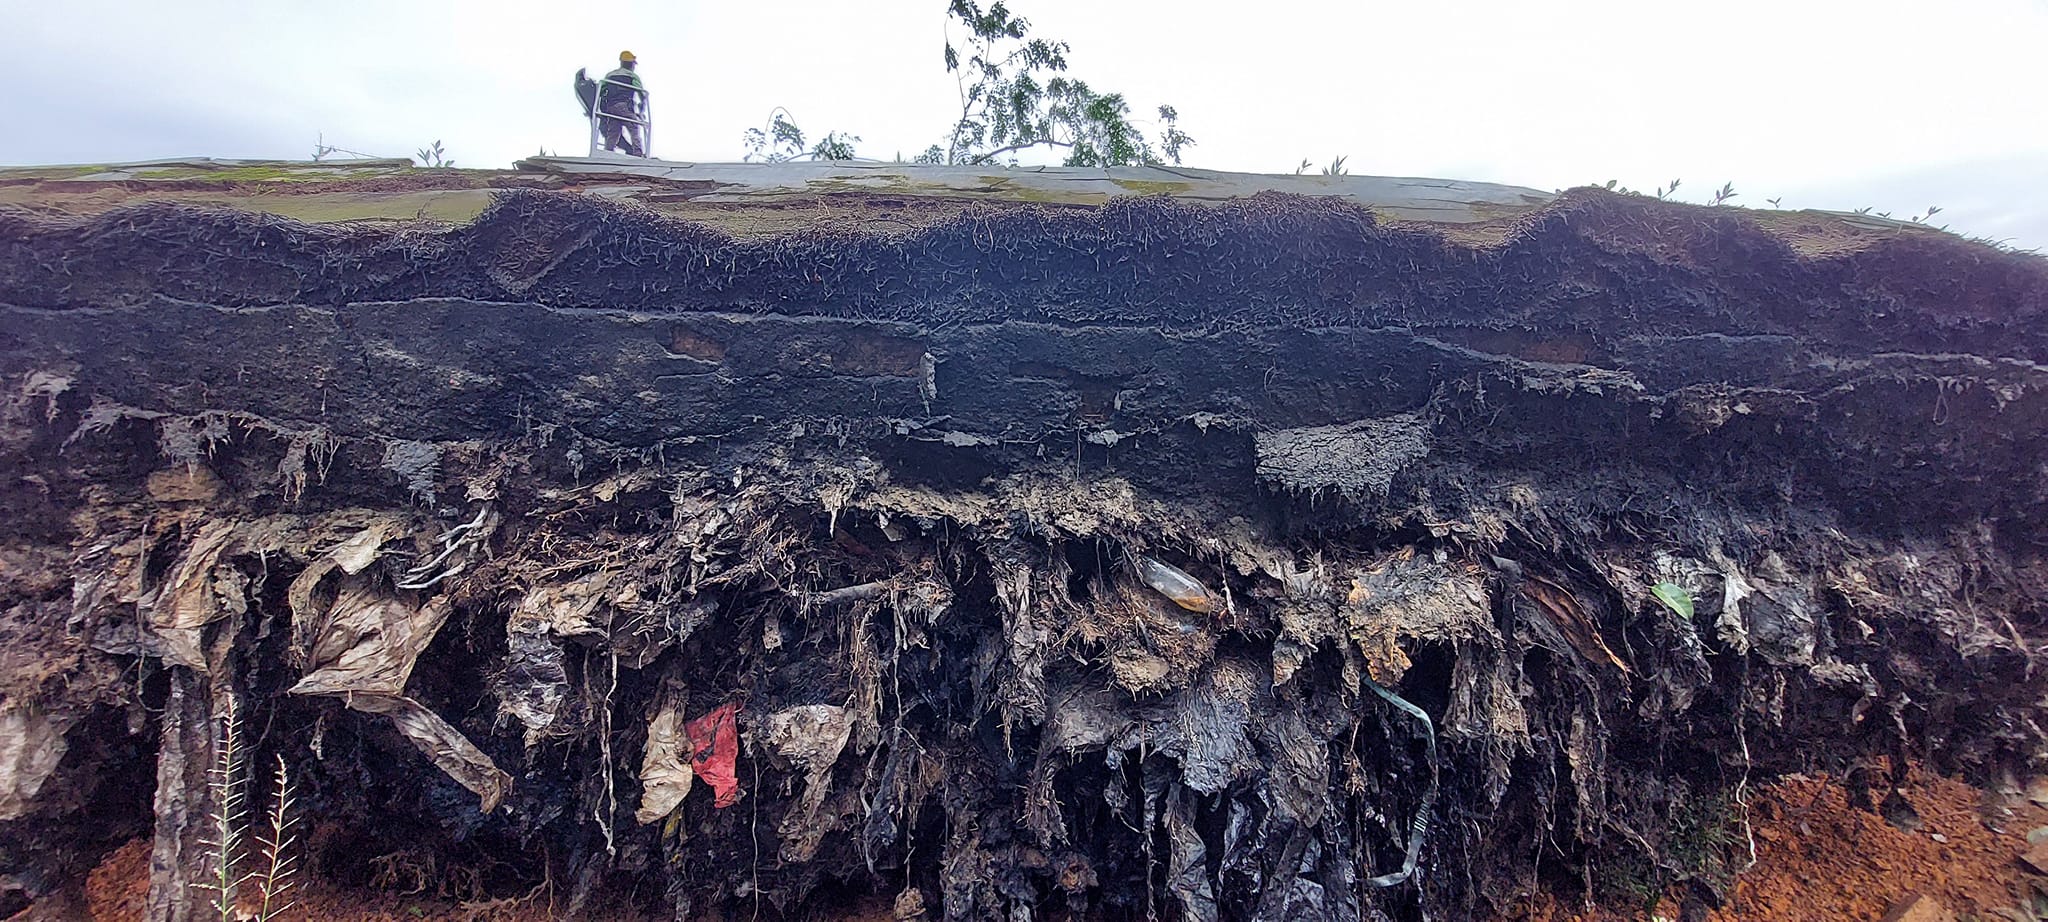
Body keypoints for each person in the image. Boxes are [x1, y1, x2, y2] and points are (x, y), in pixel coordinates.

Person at [598, 51, 648, 157]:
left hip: (610, 107)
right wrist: (641, 108)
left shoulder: (610, 75)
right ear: (631, 64)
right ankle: (638, 153)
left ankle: (608, 152)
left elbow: (601, 91)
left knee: (614, 131)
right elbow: (642, 93)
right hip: (623, 106)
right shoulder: (632, 76)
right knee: (634, 126)